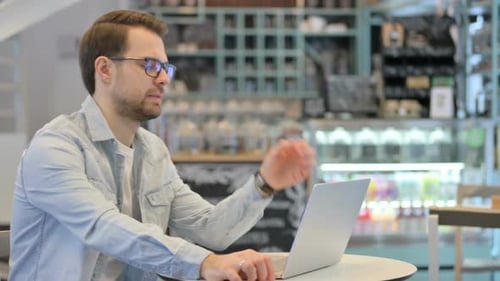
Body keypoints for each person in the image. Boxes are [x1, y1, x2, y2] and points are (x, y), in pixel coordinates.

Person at [8, 9, 315, 281]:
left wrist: (265, 183)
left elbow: (211, 229)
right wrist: (204, 263)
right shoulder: (55, 148)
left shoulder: (152, 151)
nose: (164, 80)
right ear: (104, 69)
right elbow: (104, 227)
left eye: (165, 68)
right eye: (150, 65)